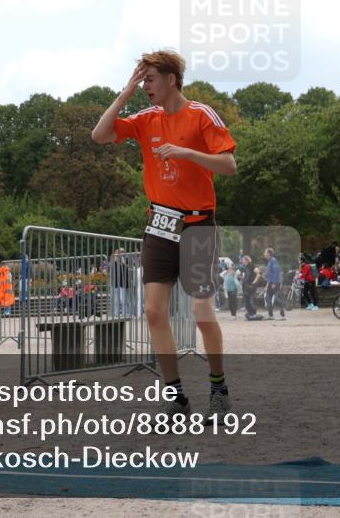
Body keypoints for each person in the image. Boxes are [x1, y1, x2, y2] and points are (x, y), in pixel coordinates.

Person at [91, 49, 238, 418]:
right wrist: (124, 93)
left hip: (197, 224)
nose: (145, 87)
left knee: (202, 312)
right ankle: (176, 396)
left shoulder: (201, 115)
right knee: (154, 313)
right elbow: (100, 134)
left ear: (171, 79)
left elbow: (229, 165)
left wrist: (188, 153)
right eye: (141, 81)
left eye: (150, 80)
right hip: (159, 225)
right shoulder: (145, 119)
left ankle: (218, 388)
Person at [110, 248, 132, 317]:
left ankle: (125, 312)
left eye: (121, 252)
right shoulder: (114, 261)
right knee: (116, 300)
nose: (119, 254)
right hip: (115, 283)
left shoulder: (126, 260)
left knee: (124, 299)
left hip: (123, 283)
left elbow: (129, 267)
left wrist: (123, 261)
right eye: (118, 252)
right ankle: (116, 313)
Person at [263, 248, 284, 320]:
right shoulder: (269, 262)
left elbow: (276, 272)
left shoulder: (273, 261)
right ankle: (270, 315)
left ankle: (282, 315)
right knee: (267, 298)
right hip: (270, 282)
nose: (264, 254)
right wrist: (266, 275)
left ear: (269, 253)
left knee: (277, 298)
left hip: (274, 282)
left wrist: (275, 283)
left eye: (265, 252)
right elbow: (270, 273)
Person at [239, 255, 262, 320]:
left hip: (251, 286)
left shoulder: (252, 266)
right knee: (246, 301)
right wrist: (242, 278)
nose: (242, 261)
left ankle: (254, 314)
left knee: (251, 300)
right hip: (245, 287)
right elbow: (245, 276)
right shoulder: (245, 267)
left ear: (247, 260)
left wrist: (254, 282)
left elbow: (259, 273)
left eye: (243, 260)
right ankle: (250, 314)